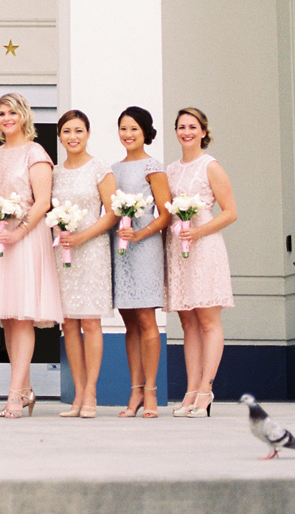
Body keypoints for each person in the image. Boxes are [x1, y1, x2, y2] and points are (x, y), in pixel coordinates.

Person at [0, 92, 62, 418]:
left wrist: (18, 232)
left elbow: (42, 202)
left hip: (25, 239)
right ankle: (23, 390)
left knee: (22, 315)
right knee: (8, 317)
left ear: (24, 115)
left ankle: (14, 397)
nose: (6, 118)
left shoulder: (35, 153)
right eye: (1, 114)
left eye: (12, 112)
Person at [165, 106, 238, 418]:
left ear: (204, 132)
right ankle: (190, 390)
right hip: (178, 248)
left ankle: (206, 390)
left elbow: (230, 211)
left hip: (204, 245)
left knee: (208, 320)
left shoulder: (211, 166)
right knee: (187, 322)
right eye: (182, 127)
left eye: (192, 126)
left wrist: (198, 231)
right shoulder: (170, 170)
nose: (187, 132)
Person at [50, 110, 118, 418]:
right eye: (66, 131)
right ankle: (77, 393)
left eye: (78, 130)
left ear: (88, 134)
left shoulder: (99, 167)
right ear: (60, 136)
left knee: (90, 322)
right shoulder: (54, 172)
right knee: (69, 324)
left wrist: (82, 238)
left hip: (91, 251)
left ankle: (91, 391)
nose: (72, 136)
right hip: (62, 252)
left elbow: (113, 213)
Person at [111, 105, 173, 418]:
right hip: (120, 248)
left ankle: (151, 391)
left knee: (147, 320)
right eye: (123, 128)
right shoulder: (113, 169)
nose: (128, 134)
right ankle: (134, 391)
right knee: (129, 322)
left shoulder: (153, 167)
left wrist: (142, 233)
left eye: (134, 128)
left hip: (145, 248)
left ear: (145, 132)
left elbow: (165, 214)